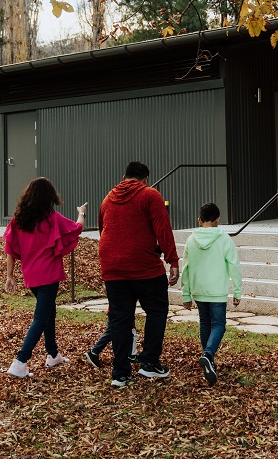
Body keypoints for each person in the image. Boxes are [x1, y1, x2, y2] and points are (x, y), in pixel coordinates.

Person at [98, 161, 180, 388]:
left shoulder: (107, 199)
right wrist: (172, 260)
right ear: (145, 179)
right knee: (156, 310)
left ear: (124, 177)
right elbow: (163, 228)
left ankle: (120, 373)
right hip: (143, 267)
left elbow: (102, 229)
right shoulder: (150, 195)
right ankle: (149, 363)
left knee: (120, 318)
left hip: (113, 267)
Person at [3, 177, 87, 379]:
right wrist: (81, 213)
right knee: (41, 318)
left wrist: (9, 276)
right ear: (49, 196)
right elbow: (77, 229)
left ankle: (53, 354)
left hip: (31, 275)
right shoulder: (52, 218)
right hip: (48, 275)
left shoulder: (19, 220)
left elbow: (10, 249)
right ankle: (20, 361)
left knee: (50, 313)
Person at [181, 202, 242, 386]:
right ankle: (208, 354)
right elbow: (234, 265)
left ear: (199, 220)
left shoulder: (191, 240)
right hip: (217, 292)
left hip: (199, 291)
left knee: (205, 324)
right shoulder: (224, 239)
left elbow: (186, 268)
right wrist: (237, 290)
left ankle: (209, 362)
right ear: (218, 221)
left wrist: (186, 294)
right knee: (219, 325)